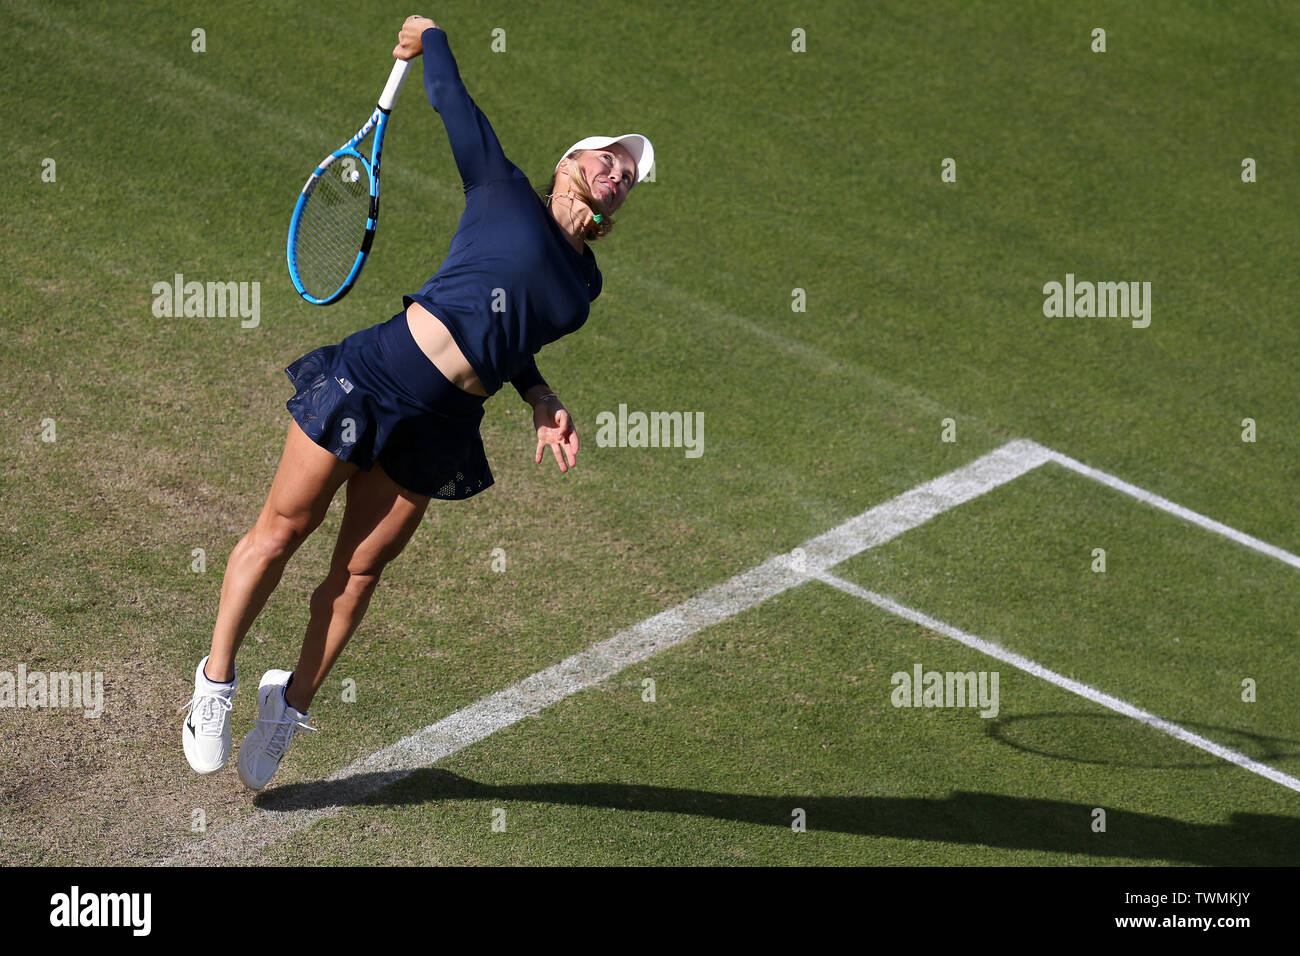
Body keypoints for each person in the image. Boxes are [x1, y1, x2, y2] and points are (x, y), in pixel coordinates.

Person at [178, 14, 654, 790]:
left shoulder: (585, 285)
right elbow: (451, 98)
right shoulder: (498, 186)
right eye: (611, 158)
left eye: (629, 177)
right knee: (282, 531)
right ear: (569, 163)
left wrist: (537, 393)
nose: (621, 172)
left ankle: (288, 705)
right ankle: (215, 684)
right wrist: (429, 36)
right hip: (374, 377)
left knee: (358, 574)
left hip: (445, 426)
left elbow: (507, 328)